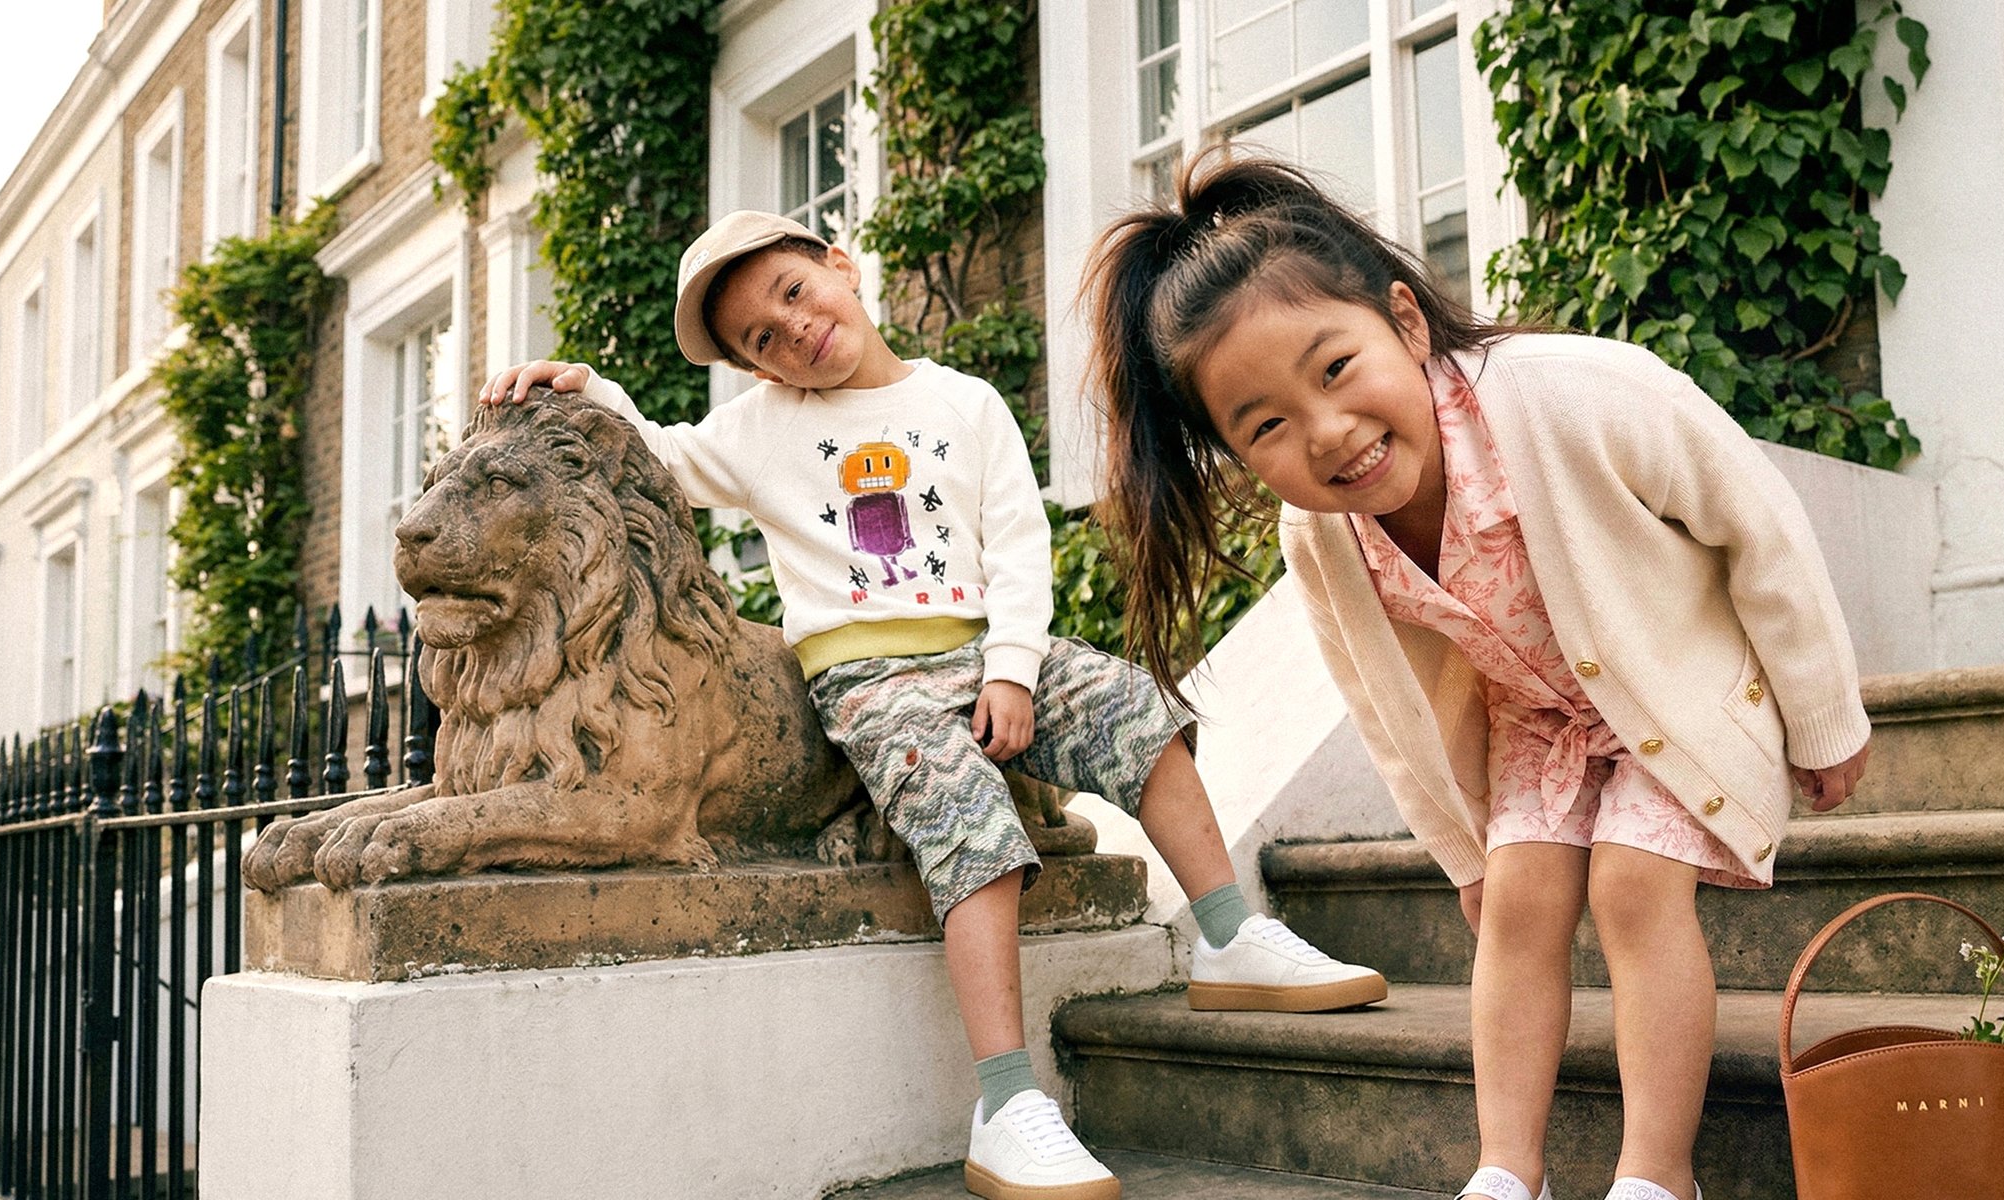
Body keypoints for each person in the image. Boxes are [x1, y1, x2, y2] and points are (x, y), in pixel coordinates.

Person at [480, 209, 1385, 1200]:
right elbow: (659, 461)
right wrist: (590, 390)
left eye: (794, 293)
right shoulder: (759, 430)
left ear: (841, 266)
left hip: (985, 652)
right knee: (967, 816)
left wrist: (1013, 670)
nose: (793, 331)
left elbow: (1018, 543)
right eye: (761, 340)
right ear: (753, 370)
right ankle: (1007, 1104)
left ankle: (1228, 934)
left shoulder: (964, 402)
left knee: (1134, 707)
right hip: (870, 679)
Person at [1084, 152, 1872, 1200]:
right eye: (1265, 424)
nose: (1328, 432)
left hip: (1683, 686)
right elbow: (1382, 707)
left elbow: (1758, 522)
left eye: (1336, 368)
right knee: (1516, 905)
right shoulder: (1319, 538)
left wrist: (1824, 717)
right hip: (1540, 722)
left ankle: (1657, 1177)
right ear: (1234, 453)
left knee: (1632, 885)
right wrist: (1463, 852)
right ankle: (1507, 1173)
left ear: (1405, 323)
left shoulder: (1575, 394)